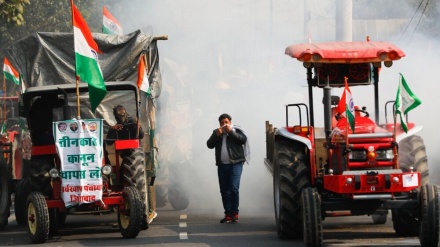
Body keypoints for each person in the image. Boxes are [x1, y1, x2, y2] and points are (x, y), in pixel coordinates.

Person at [207, 113, 248, 223]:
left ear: (230, 122)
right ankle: (228, 214)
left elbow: (243, 140)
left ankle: (235, 213)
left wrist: (230, 132)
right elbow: (209, 145)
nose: (224, 125)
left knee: (234, 188)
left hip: (236, 163)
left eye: (226, 122)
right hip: (222, 165)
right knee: (224, 191)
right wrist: (216, 135)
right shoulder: (217, 132)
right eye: (222, 123)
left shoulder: (236, 130)